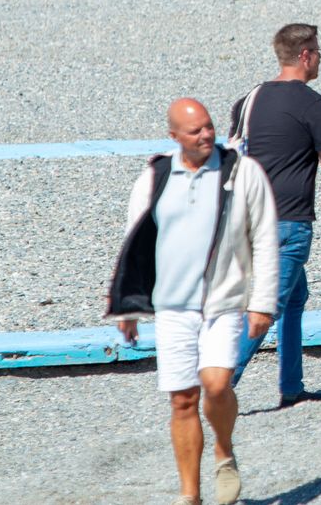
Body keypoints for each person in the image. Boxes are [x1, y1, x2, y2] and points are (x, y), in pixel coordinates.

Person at [109, 99, 279, 505]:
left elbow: (266, 238)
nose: (206, 135)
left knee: (216, 385)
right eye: (194, 131)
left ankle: (224, 448)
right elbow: (136, 243)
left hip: (223, 302)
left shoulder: (242, 172)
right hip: (172, 306)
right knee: (182, 398)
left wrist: (263, 302)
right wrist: (128, 308)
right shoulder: (155, 176)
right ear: (173, 137)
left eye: (209, 126)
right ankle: (191, 495)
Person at [229, 23, 321, 406]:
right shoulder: (314, 105)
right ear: (305, 55)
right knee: (266, 309)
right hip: (286, 222)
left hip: (246, 218)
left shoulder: (247, 100)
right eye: (318, 51)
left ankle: (291, 386)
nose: (320, 58)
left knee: (295, 298)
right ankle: (216, 390)